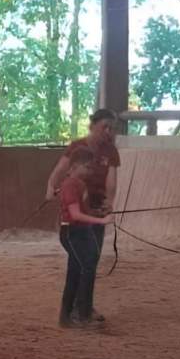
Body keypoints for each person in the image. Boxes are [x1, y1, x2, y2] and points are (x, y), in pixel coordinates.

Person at [46, 108, 120, 319]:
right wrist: (50, 186)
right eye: (104, 126)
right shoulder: (77, 148)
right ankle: (78, 309)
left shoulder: (111, 150)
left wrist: (109, 202)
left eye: (111, 128)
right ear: (92, 125)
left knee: (90, 259)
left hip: (96, 208)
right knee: (83, 261)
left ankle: (81, 306)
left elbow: (111, 180)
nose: (108, 131)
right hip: (79, 210)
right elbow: (60, 169)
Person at [58, 147, 113, 329]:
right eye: (87, 167)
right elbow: (75, 215)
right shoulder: (70, 186)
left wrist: (98, 212)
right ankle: (82, 314)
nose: (90, 171)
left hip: (80, 232)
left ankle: (68, 315)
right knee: (86, 268)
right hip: (72, 232)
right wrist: (101, 220)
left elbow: (83, 211)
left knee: (77, 270)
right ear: (76, 165)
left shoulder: (80, 185)